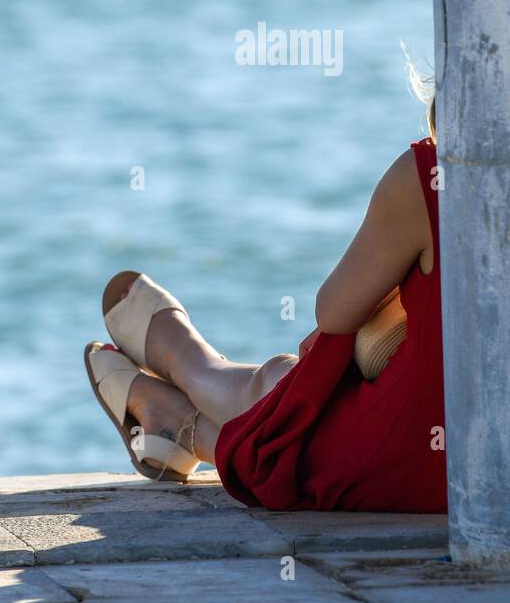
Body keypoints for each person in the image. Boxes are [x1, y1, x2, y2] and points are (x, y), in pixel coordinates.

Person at [84, 100, 446, 513]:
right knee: (313, 384)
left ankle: (192, 369)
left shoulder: (431, 176)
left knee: (289, 388)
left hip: (405, 467)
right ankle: (181, 427)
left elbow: (333, 312)